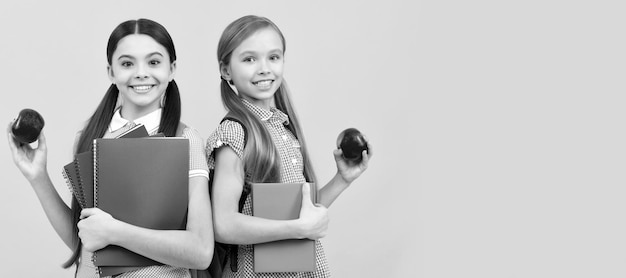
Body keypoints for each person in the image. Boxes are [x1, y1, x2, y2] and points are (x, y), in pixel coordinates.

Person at [7, 18, 213, 278]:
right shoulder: (91, 136)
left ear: (171, 69)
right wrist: (38, 177)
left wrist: (115, 231)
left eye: (153, 62)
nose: (140, 73)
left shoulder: (186, 140)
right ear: (111, 72)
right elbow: (86, 244)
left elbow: (201, 251)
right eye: (127, 63)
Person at [206, 15, 372, 277]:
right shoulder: (234, 132)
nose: (264, 68)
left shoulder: (283, 126)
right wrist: (298, 229)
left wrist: (342, 179)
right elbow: (224, 224)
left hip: (299, 268)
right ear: (226, 70)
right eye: (249, 59)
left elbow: (303, 213)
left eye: (273, 57)